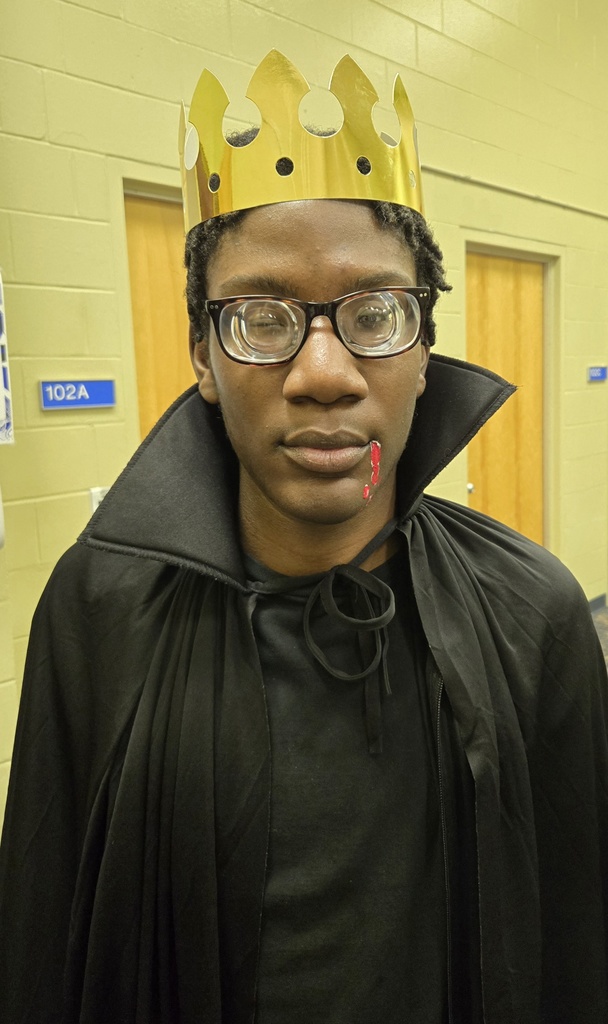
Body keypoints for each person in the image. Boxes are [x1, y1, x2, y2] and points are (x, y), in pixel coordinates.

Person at [1, 50, 607, 1024]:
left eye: (372, 313)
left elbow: (581, 942)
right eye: (261, 317)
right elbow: (37, 931)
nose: (322, 371)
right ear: (201, 352)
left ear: (420, 349)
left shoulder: (530, 611)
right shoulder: (95, 607)